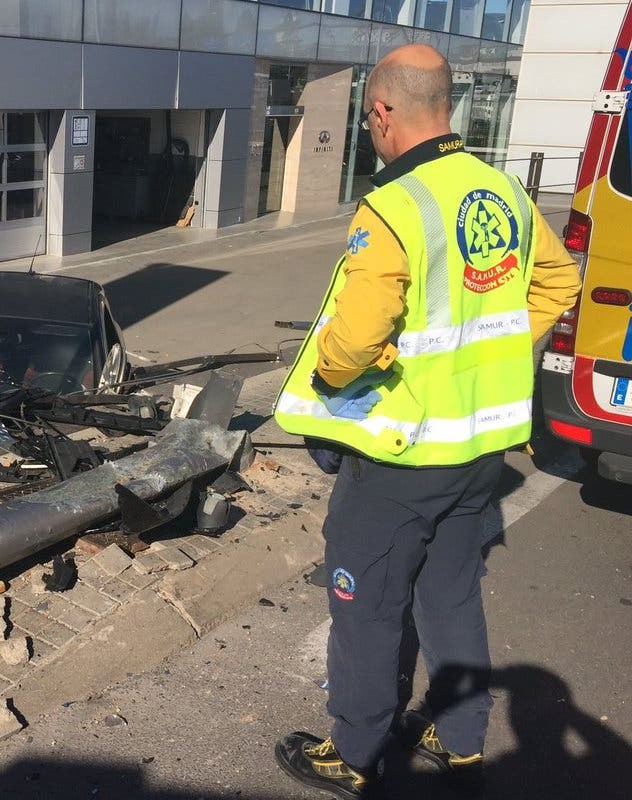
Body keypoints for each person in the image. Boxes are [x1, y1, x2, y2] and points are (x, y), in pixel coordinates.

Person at [271, 44, 581, 798]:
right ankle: (462, 740)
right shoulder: (500, 190)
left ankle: (356, 751)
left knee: (366, 603)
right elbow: (559, 281)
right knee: (449, 592)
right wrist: (496, 352)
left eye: (368, 118)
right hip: (480, 448)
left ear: (382, 112)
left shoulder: (397, 204)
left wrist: (337, 374)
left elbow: (351, 340)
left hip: (402, 455)